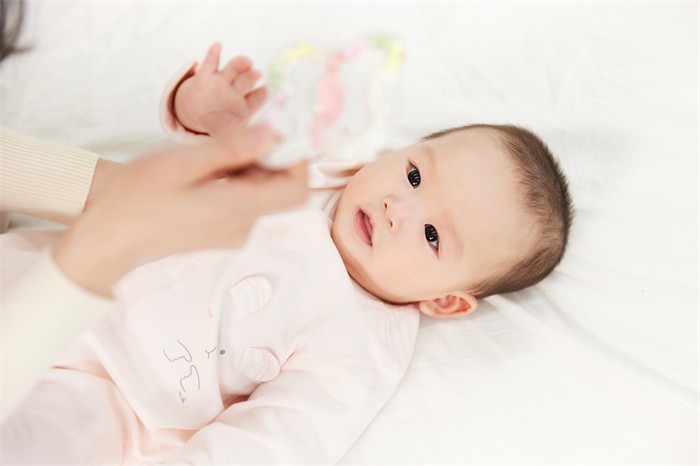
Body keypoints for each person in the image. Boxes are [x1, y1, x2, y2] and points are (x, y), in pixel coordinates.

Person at [1, 43, 573, 464]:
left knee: (34, 444)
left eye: (431, 236)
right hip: (44, 271)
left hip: (113, 398)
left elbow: (272, 443)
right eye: (415, 175)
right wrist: (200, 109)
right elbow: (215, 149)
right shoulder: (314, 168)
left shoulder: (358, 354)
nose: (397, 207)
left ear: (446, 302)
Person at [0, 59, 308, 421]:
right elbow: (235, 151)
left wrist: (105, 191)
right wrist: (199, 115)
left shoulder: (353, 342)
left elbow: (274, 433)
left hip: (113, 396)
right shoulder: (321, 171)